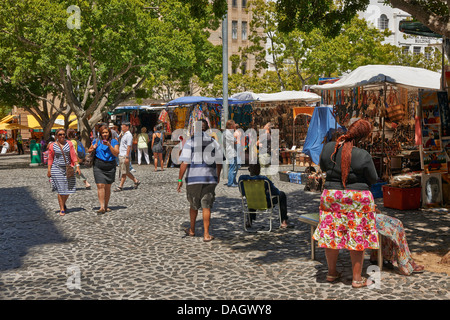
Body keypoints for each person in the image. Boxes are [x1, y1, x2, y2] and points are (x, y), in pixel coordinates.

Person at [312, 119, 379, 288]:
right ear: (364, 137)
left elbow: (323, 166)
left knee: (331, 232)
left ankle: (331, 273)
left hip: (331, 196)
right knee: (357, 233)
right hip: (357, 198)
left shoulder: (329, 148)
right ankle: (357, 278)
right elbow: (373, 178)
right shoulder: (363, 155)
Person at [177, 119, 223, 242]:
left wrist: (180, 179)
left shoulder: (190, 142)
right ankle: (206, 234)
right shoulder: (214, 142)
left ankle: (192, 230)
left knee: (193, 205)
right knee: (206, 206)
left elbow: (185, 162)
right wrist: (217, 175)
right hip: (209, 178)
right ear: (207, 128)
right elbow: (219, 162)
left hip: (193, 179)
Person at [370, 209, 425, 276]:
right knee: (397, 224)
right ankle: (404, 263)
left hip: (363, 215)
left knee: (388, 227)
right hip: (363, 215)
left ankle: (380, 256)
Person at [238, 162, 290, 228]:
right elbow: (276, 192)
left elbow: (242, 192)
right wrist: (267, 192)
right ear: (259, 170)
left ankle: (249, 221)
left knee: (251, 196)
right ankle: (284, 221)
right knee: (282, 194)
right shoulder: (264, 179)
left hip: (251, 203)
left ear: (249, 169)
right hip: (265, 203)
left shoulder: (242, 179)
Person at [47, 128, 81, 216]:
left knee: (69, 189)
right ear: (56, 136)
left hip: (68, 168)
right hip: (56, 168)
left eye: (63, 134)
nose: (62, 136)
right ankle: (62, 208)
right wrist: (49, 170)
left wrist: (77, 166)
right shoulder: (52, 145)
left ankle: (63, 203)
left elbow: (73, 156)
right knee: (61, 189)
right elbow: (50, 158)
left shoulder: (69, 144)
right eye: (60, 134)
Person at [88, 125, 120, 214]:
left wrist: (109, 145)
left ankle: (106, 206)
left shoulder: (114, 141)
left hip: (110, 166)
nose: (105, 134)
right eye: (103, 133)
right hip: (98, 165)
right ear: (100, 134)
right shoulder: (97, 141)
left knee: (107, 187)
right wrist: (93, 147)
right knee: (100, 185)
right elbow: (89, 150)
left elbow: (116, 153)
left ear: (109, 133)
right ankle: (101, 207)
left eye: (106, 132)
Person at [114, 122, 140, 192]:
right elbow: (117, 139)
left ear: (127, 127)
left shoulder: (129, 135)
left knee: (124, 172)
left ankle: (120, 186)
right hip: (121, 154)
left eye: (123, 126)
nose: (121, 127)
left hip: (124, 155)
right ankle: (136, 180)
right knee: (126, 171)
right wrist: (120, 134)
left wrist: (127, 157)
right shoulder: (124, 134)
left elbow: (129, 147)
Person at [224, 119, 239, 187]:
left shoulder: (229, 132)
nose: (234, 126)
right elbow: (235, 141)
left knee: (234, 167)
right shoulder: (228, 133)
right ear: (230, 126)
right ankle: (230, 182)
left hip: (233, 152)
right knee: (232, 168)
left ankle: (233, 180)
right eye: (233, 125)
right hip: (231, 152)